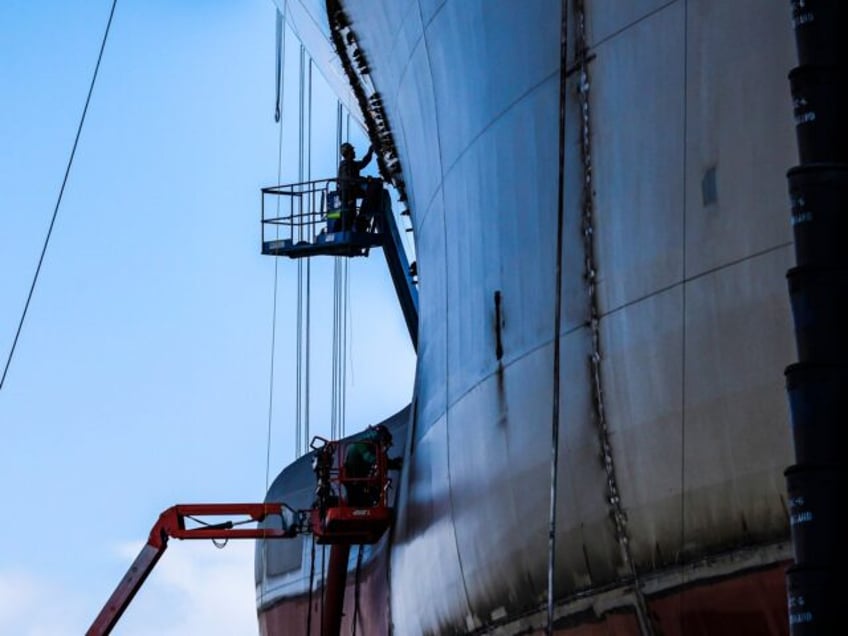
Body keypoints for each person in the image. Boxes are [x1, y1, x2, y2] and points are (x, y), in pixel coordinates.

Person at [337, 142, 380, 231]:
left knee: (373, 188)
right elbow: (349, 179)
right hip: (348, 193)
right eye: (352, 151)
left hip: (351, 192)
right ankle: (362, 219)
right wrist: (365, 180)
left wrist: (370, 151)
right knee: (373, 188)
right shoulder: (345, 165)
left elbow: (364, 162)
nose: (354, 152)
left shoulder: (351, 164)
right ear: (348, 153)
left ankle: (362, 219)